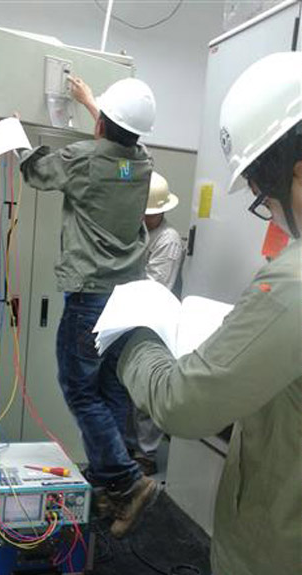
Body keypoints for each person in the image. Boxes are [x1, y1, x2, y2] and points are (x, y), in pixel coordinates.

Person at [115, 51, 301, 575]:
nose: (266, 211)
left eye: (261, 197)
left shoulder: (291, 280)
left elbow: (182, 404)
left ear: (297, 176)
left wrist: (132, 334)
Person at [18, 75, 159, 538]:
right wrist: (94, 104)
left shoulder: (83, 159)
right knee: (112, 390)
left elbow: (37, 172)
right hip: (127, 297)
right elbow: (121, 140)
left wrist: (14, 136)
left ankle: (127, 481)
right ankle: (107, 485)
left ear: (101, 127)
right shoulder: (143, 164)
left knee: (79, 389)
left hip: (90, 297)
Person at [125, 172, 184, 475]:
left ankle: (146, 454)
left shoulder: (168, 240)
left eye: (149, 213)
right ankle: (127, 448)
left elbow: (155, 286)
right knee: (125, 385)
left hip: (152, 321)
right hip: (130, 316)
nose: (144, 217)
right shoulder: (138, 230)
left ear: (161, 210)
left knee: (146, 389)